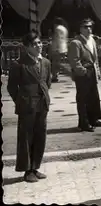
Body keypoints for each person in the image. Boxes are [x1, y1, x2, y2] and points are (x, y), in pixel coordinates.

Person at [7, 31, 51, 182]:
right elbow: (12, 87)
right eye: (35, 44)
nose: (39, 46)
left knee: (40, 135)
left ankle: (35, 167)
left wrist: (44, 96)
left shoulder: (45, 62)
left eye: (40, 42)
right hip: (27, 105)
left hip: (42, 103)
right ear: (27, 47)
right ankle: (27, 170)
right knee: (26, 137)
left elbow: (47, 82)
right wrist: (22, 101)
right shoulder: (19, 64)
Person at [68, 19, 101, 132]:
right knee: (83, 98)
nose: (88, 29)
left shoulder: (91, 40)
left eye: (90, 27)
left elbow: (95, 57)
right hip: (83, 72)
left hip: (92, 71)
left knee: (93, 96)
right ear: (80, 29)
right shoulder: (76, 42)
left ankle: (93, 119)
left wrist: (97, 70)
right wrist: (82, 71)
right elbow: (74, 60)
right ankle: (84, 123)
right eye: (85, 27)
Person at [50, 17, 68, 82]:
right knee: (59, 62)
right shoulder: (64, 29)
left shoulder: (57, 29)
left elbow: (57, 38)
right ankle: (56, 75)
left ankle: (55, 76)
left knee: (56, 63)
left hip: (58, 48)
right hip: (64, 47)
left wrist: (56, 47)